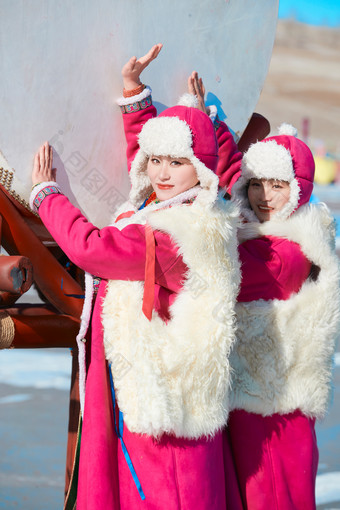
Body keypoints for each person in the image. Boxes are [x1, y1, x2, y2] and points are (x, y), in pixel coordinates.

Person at [30, 49, 243, 509]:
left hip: (161, 399)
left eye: (177, 162)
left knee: (163, 492)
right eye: (157, 159)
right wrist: (135, 95)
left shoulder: (180, 237)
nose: (162, 173)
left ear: (201, 170)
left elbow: (95, 249)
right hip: (155, 384)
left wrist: (48, 196)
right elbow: (145, 182)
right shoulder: (187, 207)